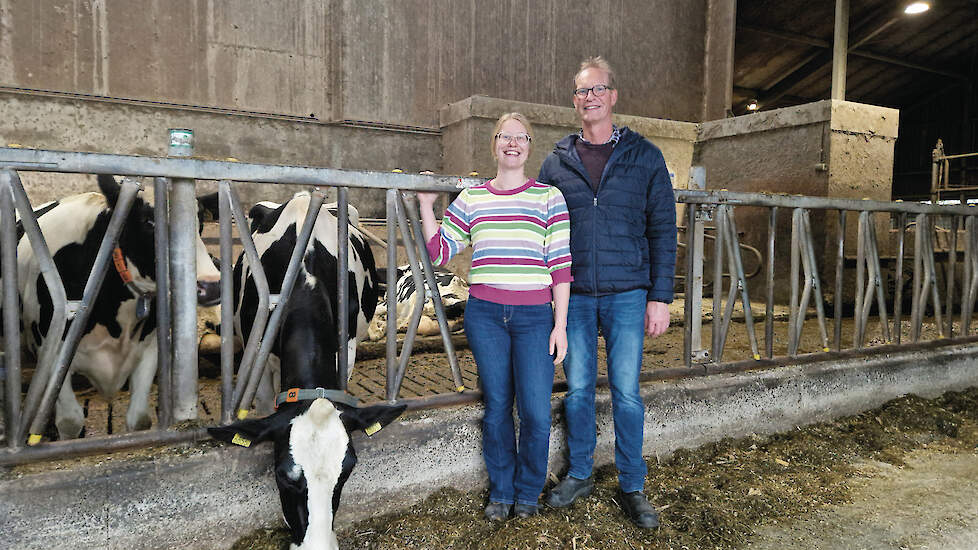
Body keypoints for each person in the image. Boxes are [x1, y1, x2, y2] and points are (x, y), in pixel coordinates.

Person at [537, 56, 677, 529]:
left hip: (628, 294)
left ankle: (632, 484)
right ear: (574, 101)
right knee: (576, 391)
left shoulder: (645, 156)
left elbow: (662, 228)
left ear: (613, 96)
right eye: (581, 91)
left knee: (627, 393)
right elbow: (540, 229)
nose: (590, 98)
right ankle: (579, 473)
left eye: (597, 89)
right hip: (572, 298)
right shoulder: (556, 162)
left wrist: (661, 296)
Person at [418, 112, 572, 521]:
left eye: (521, 136)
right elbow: (440, 253)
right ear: (495, 144)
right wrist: (425, 204)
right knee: (499, 405)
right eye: (505, 135)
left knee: (536, 411)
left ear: (529, 145)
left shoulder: (549, 198)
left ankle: (528, 491)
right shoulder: (472, 199)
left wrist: (560, 325)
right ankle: (502, 492)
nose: (513, 143)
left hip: (536, 318)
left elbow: (560, 266)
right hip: (485, 316)